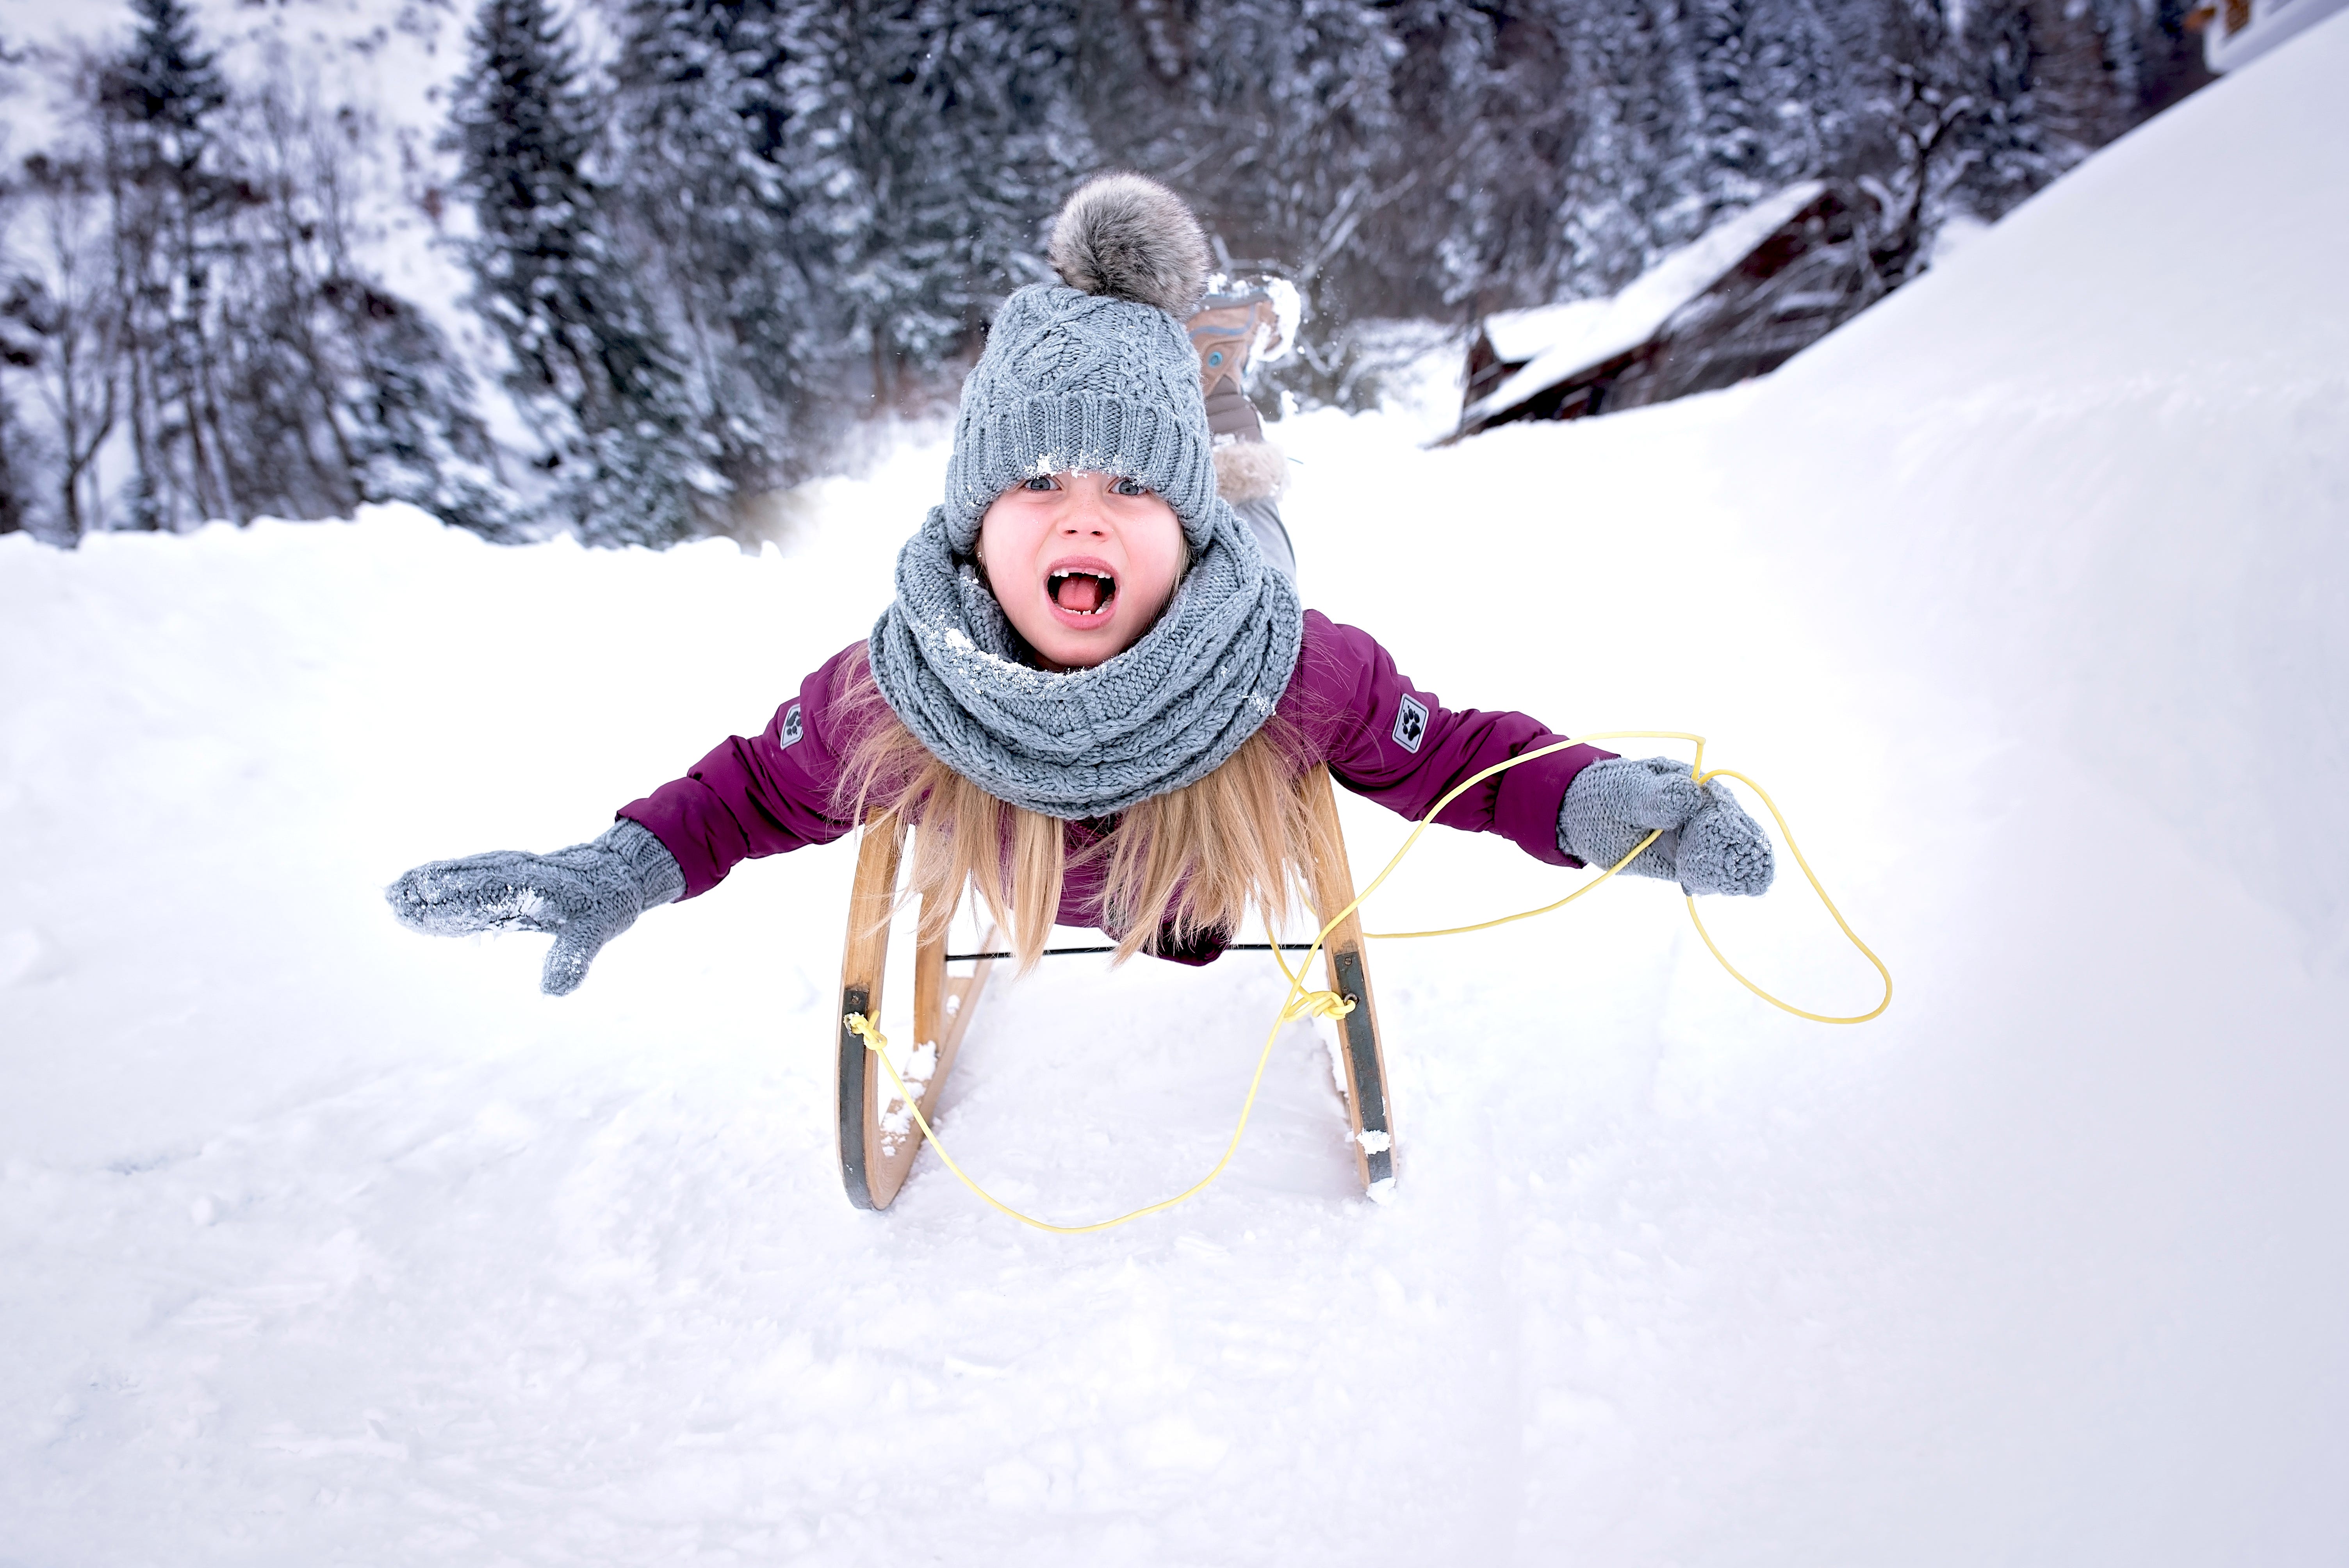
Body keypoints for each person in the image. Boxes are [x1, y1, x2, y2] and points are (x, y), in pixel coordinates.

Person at [386, 174, 1774, 996]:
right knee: (1174, 449)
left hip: (1218, 632)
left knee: (1237, 474)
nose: (1082, 522)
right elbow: (755, 789)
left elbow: (1461, 762)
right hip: (1121, 664)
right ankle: (1190, 372)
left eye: (1124, 496)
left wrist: (1609, 811)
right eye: (1038, 488)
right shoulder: (903, 684)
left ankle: (1209, 392)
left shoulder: (1287, 670)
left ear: (1176, 532)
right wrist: (621, 868)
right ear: (976, 527)